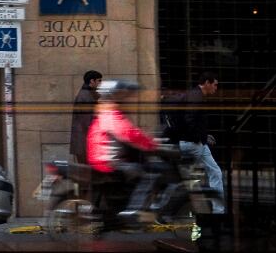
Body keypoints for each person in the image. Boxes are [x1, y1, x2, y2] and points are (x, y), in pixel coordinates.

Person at [87, 79, 160, 226]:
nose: (125, 100)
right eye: (121, 96)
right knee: (147, 176)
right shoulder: (110, 114)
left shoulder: (102, 113)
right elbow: (128, 133)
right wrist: (151, 144)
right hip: (107, 160)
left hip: (100, 157)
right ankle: (133, 212)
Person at [163, 72, 225, 212]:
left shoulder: (195, 95)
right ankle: (167, 207)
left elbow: (193, 121)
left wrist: (204, 136)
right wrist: (198, 137)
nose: (216, 88)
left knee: (214, 172)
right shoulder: (196, 97)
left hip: (197, 143)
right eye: (215, 85)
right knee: (188, 180)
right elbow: (189, 119)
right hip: (192, 144)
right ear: (207, 83)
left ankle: (218, 210)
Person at [70, 70, 103, 164]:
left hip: (84, 143)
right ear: (92, 81)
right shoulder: (85, 96)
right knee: (87, 173)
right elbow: (88, 122)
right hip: (84, 144)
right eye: (99, 81)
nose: (100, 83)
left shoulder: (88, 94)